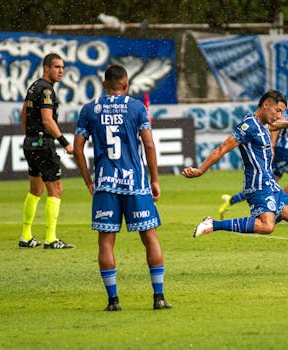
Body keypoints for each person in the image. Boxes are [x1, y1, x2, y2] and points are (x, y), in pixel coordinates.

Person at [182, 90, 288, 274]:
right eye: (278, 110)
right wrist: (200, 170)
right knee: (267, 226)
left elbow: (274, 125)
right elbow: (222, 148)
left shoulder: (262, 124)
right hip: (258, 185)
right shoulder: (248, 126)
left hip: (271, 184)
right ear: (266, 104)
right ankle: (213, 224)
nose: (279, 115)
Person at [73, 64, 172, 311]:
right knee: (150, 238)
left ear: (104, 85)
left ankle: (113, 301)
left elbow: (77, 148)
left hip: (105, 184)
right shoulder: (136, 107)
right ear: (126, 85)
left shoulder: (89, 109)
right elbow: (148, 145)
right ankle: (158, 298)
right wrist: (155, 179)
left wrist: (88, 180)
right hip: (135, 184)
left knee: (106, 242)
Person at [218, 81, 288, 219]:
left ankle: (231, 200)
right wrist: (272, 144)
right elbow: (275, 123)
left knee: (267, 183)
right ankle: (280, 210)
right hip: (283, 146)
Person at [19, 53, 75, 249]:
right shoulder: (47, 91)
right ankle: (51, 239)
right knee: (56, 190)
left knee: (36, 190)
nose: (61, 71)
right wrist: (65, 142)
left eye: (63, 67)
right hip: (44, 145)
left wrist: (31, 137)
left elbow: (22, 115)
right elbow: (47, 120)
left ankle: (26, 236)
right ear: (47, 68)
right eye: (57, 67)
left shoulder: (33, 86)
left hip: (30, 143)